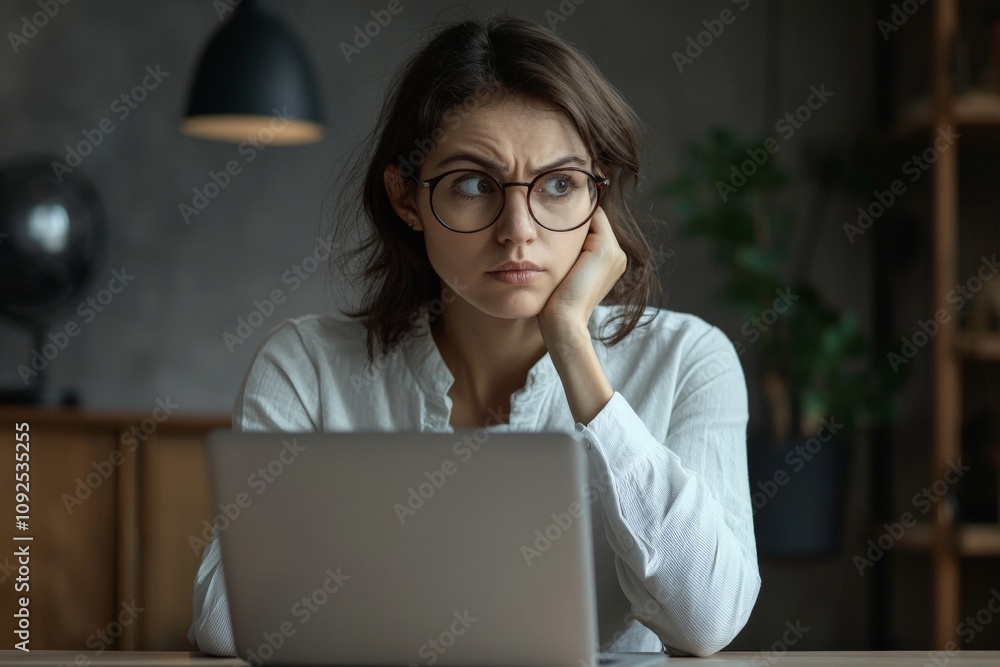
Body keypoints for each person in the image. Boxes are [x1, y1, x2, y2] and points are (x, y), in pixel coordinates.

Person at [188, 11, 760, 659]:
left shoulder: (689, 360)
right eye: (471, 184)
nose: (518, 228)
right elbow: (221, 620)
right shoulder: (306, 366)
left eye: (561, 184)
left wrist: (573, 346)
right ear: (406, 198)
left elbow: (709, 619)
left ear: (595, 201)